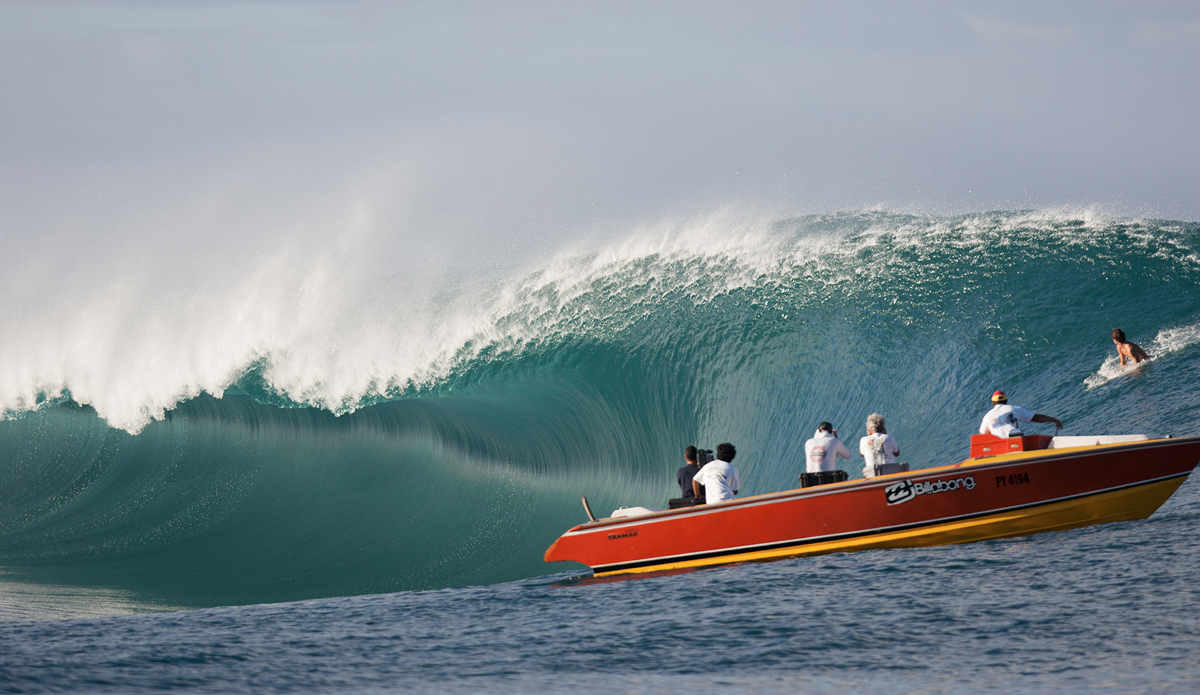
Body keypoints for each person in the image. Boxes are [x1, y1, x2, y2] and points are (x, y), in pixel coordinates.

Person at [979, 390, 1062, 438]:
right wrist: (1053, 420)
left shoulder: (987, 416)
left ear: (993, 403)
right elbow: (1035, 417)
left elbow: (983, 436)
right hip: (1017, 445)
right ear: (1006, 401)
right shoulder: (1014, 409)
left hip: (1000, 450)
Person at [859, 413, 900, 478]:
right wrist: (885, 434)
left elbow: (862, 454)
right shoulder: (890, 438)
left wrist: (869, 436)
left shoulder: (864, 440)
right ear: (883, 428)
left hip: (873, 476)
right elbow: (897, 453)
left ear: (871, 429)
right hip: (891, 474)